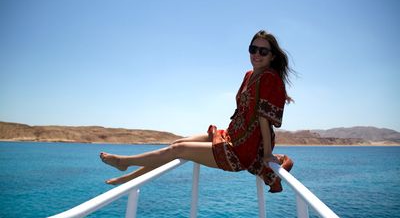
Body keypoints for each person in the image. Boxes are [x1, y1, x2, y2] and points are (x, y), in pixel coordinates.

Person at [100, 30, 294, 193]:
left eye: (263, 51)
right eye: (253, 49)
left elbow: (263, 118)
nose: (256, 54)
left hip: (243, 150)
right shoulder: (249, 75)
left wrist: (267, 154)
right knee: (177, 143)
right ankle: (129, 177)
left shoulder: (269, 78)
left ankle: (124, 162)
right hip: (232, 135)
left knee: (178, 150)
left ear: (272, 56)